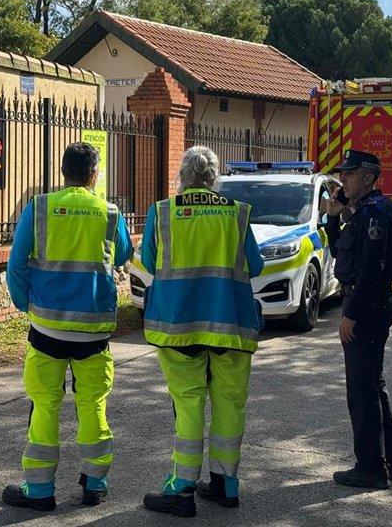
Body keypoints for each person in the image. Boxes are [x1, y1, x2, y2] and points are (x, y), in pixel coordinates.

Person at [3, 142, 133, 511]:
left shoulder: (40, 208)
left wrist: (25, 304)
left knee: (44, 405)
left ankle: (40, 492)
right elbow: (123, 254)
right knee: (92, 403)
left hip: (47, 328)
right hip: (94, 330)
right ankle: (94, 485)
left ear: (63, 172)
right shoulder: (110, 212)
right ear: (94, 174)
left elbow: (16, 265)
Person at [140, 146, 264, 518]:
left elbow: (149, 261)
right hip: (231, 325)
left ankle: (182, 488)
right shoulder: (238, 214)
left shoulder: (163, 212)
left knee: (189, 403)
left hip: (180, 326)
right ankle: (226, 484)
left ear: (183, 176)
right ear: (213, 179)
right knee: (229, 403)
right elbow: (254, 266)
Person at [321, 149, 392, 490]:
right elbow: (342, 252)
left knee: (362, 390)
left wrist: (351, 314)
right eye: (343, 174)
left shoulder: (376, 214)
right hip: (364, 303)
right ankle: (386, 463)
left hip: (366, 308)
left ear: (369, 177)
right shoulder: (361, 213)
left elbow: (372, 271)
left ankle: (371, 468)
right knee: (372, 385)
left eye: (350, 175)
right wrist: (333, 216)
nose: (343, 181)